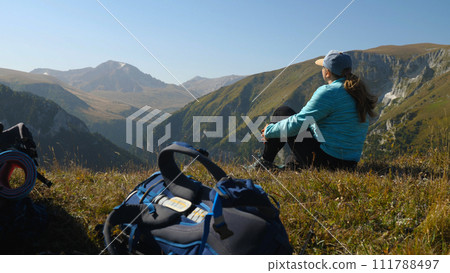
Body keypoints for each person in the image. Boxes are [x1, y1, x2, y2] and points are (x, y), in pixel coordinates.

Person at [252, 50, 377, 170]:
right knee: (307, 128)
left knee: (283, 112)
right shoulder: (357, 92)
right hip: (349, 164)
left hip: (327, 162)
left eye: (323, 67)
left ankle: (264, 163)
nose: (322, 70)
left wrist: (269, 131)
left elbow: (299, 122)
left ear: (327, 72)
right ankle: (292, 165)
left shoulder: (329, 92)